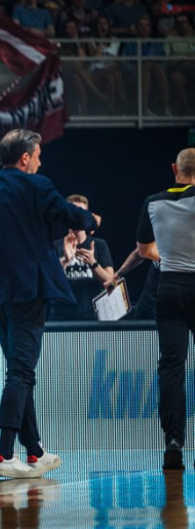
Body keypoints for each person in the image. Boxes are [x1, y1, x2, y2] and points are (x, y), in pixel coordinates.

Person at [0, 129, 97, 479]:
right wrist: (90, 220)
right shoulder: (37, 185)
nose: (40, 161)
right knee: (22, 372)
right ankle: (4, 455)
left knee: (18, 371)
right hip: (29, 293)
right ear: (25, 157)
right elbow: (71, 215)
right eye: (37, 155)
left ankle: (35, 451)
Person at [135, 148, 195, 470]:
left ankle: (173, 442)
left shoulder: (152, 202)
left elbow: (144, 250)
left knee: (171, 367)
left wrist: (170, 256)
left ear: (175, 169)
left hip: (170, 287)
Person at [50, 194, 115, 320]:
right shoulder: (55, 246)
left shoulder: (99, 245)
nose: (78, 217)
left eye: (82, 212)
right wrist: (65, 261)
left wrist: (93, 263)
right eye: (74, 212)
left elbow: (111, 282)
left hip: (91, 314)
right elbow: (50, 282)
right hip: (61, 315)